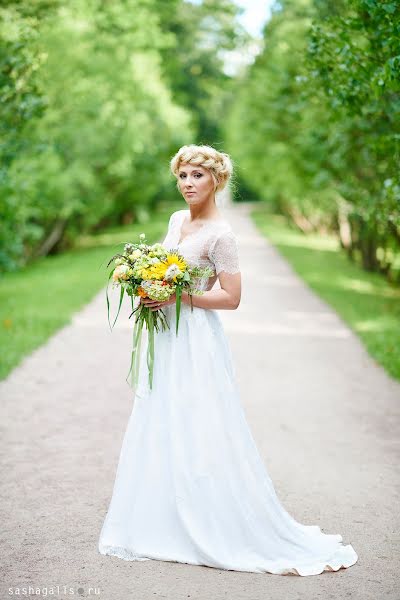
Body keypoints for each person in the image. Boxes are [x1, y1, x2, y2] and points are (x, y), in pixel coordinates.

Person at [98, 144, 358, 576]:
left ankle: (208, 517)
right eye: (182, 176)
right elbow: (162, 266)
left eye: (197, 176)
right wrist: (148, 288)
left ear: (216, 180)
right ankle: (161, 515)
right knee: (161, 414)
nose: (187, 184)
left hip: (196, 338)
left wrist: (182, 295)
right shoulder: (176, 220)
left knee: (200, 418)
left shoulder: (222, 235)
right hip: (166, 337)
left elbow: (232, 298)